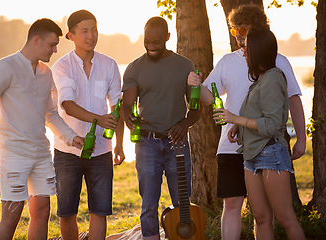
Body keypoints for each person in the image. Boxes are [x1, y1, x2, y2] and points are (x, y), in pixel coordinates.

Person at [187, 4, 306, 240]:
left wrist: (301, 139)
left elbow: (293, 101)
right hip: (232, 145)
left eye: (244, 30)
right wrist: (194, 85)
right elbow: (209, 98)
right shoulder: (227, 61)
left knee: (267, 214)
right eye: (235, 31)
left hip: (267, 144)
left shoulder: (278, 62)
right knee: (233, 204)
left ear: (259, 30)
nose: (239, 36)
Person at [0, 19, 84, 240]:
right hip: (13, 153)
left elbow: (50, 114)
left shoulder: (45, 72)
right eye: (51, 44)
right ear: (36, 40)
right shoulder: (4, 67)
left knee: (42, 212)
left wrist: (71, 137)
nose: (55, 49)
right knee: (11, 216)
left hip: (40, 153)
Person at [216, 28, 306, 240]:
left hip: (271, 155)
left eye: (247, 48)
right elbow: (259, 113)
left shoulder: (274, 78)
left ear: (257, 49)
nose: (243, 52)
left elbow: (273, 124)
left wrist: (235, 119)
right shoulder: (260, 79)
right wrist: (239, 126)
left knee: (285, 218)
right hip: (251, 156)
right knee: (261, 217)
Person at [122, 16, 202, 240]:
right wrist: (128, 117)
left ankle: (183, 237)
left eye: (156, 41)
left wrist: (185, 124)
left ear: (167, 37)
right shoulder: (135, 68)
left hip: (177, 143)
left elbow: (196, 109)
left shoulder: (184, 65)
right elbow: (127, 105)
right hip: (147, 143)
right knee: (149, 204)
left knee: (182, 202)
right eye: (147, 40)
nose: (151, 46)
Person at [51, 10, 125, 240]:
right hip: (67, 150)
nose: (91, 36)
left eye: (94, 30)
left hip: (102, 149)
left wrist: (120, 144)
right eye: (84, 31)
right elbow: (67, 105)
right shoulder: (62, 67)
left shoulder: (110, 65)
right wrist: (99, 119)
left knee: (100, 211)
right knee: (66, 212)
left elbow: (117, 109)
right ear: (71, 36)